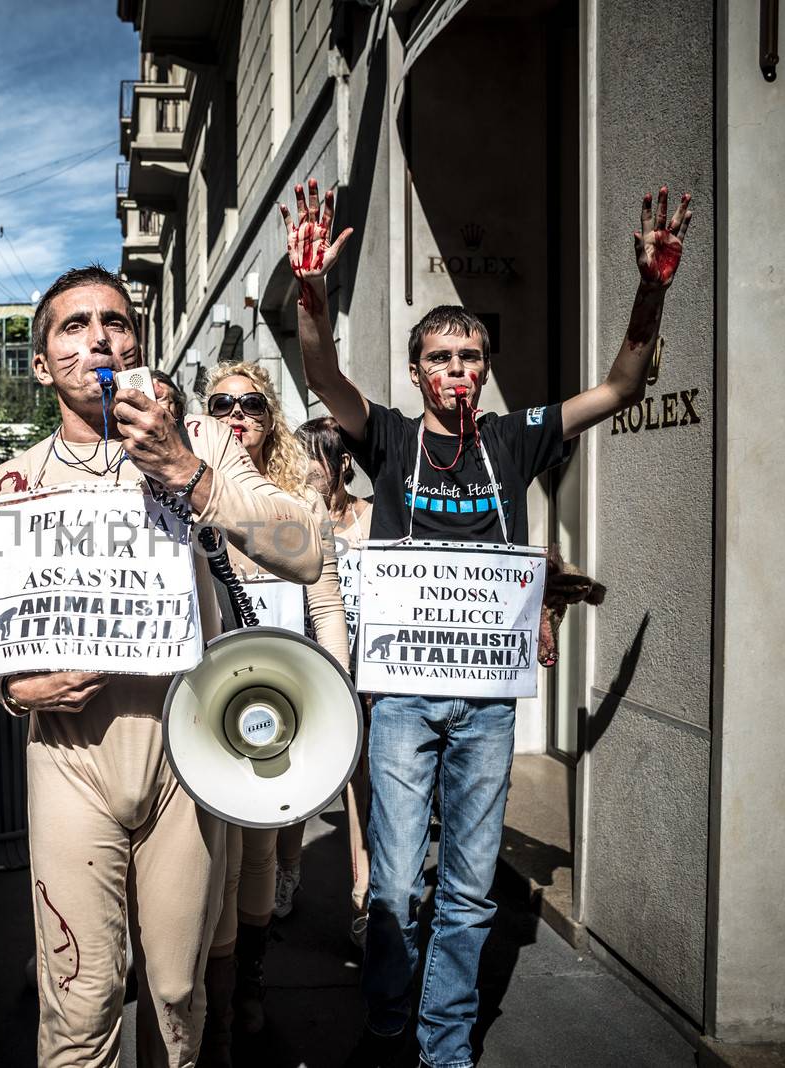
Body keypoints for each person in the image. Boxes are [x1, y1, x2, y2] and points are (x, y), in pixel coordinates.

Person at [280, 178, 691, 1067]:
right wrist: (310, 292)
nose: (459, 371)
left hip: (487, 704)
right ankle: (388, 1015)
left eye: (472, 357)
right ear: (419, 371)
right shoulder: (386, 435)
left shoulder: (514, 438)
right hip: (399, 699)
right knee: (393, 885)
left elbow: (620, 387)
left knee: (467, 890)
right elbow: (321, 374)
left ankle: (447, 1042)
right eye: (443, 359)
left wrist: (651, 288)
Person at [0, 265, 324, 1067]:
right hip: (70, 757)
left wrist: (184, 470)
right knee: (82, 995)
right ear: (39, 360)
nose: (99, 336)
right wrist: (13, 688)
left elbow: (304, 551)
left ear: (138, 342)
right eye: (73, 324)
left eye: (116, 322)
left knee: (173, 991)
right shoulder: (9, 483)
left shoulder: (204, 441)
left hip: (182, 752)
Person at [196, 362, 349, 1064]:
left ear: (271, 417)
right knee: (209, 857)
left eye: (251, 402)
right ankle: (208, 998)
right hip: (202, 705)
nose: (236, 413)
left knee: (258, 850)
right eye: (220, 402)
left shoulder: (295, 503)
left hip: (280, 707)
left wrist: (339, 693)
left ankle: (244, 987)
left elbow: (325, 605)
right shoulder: (186, 494)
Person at [296, 415, 374, 946]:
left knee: (359, 785)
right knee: (293, 777)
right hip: (305, 667)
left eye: (315, 459)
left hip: (366, 670)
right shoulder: (292, 517)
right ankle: (282, 870)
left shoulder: (375, 517)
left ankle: (363, 894)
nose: (305, 471)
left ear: (341, 463)